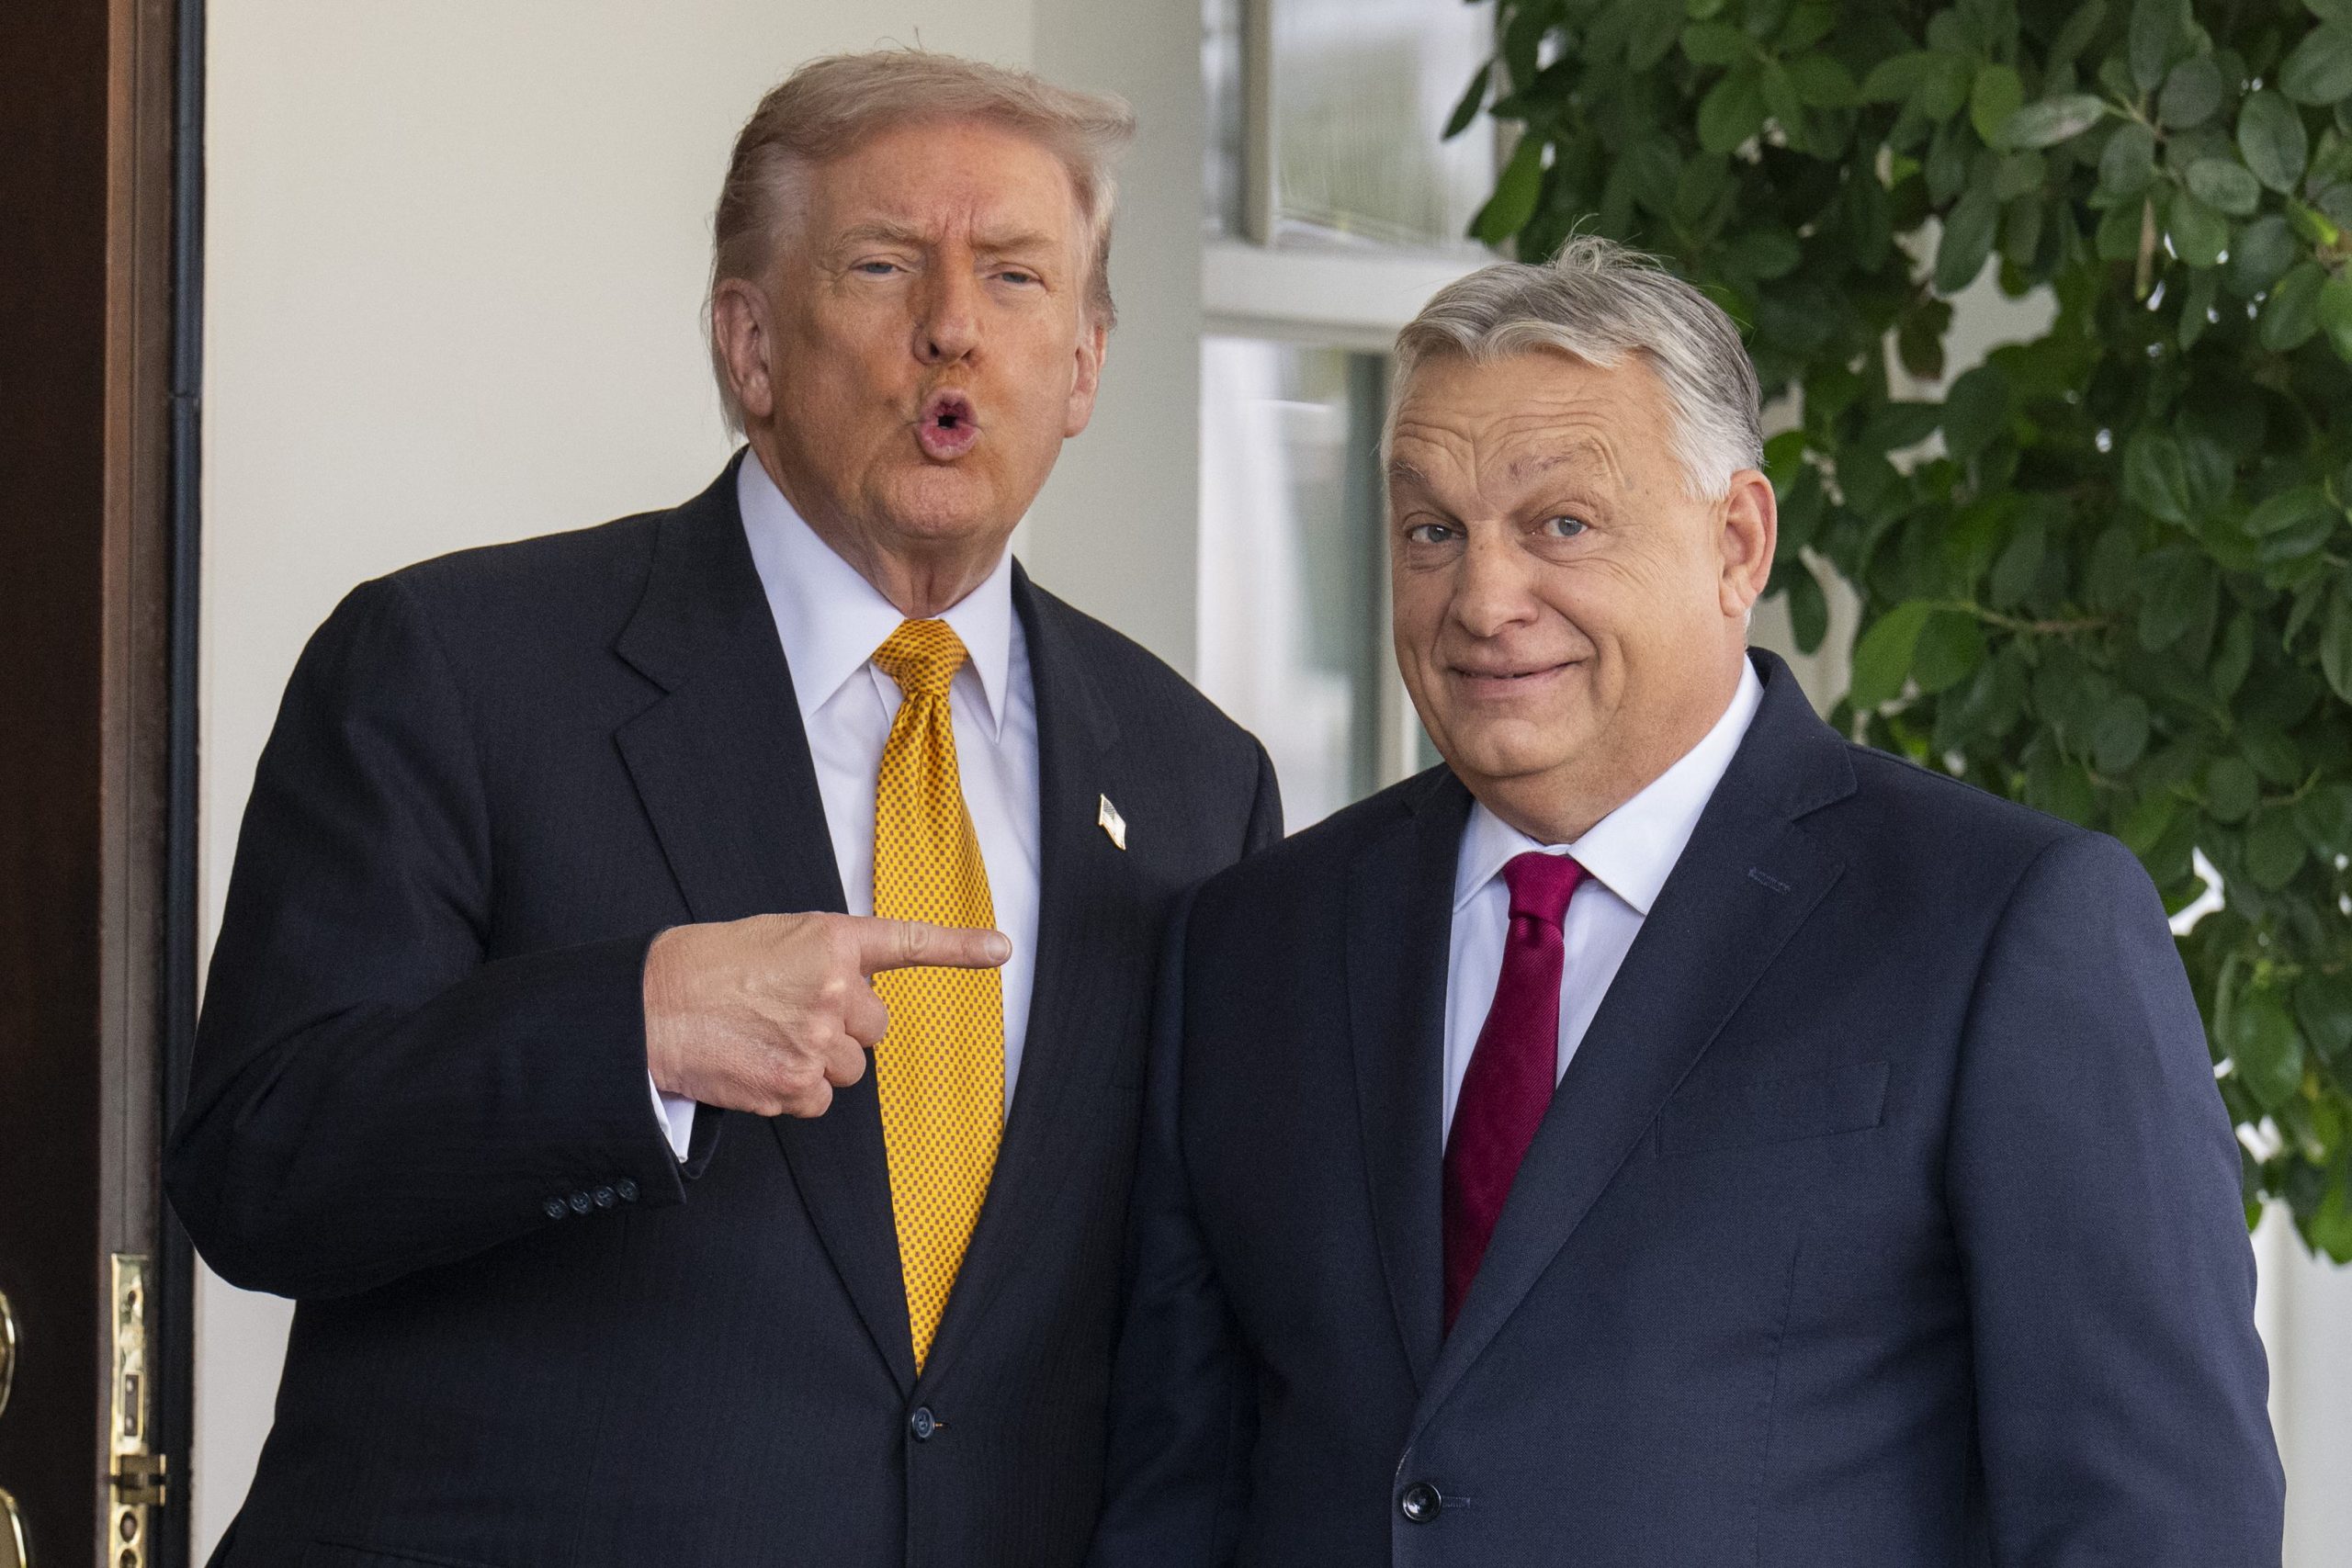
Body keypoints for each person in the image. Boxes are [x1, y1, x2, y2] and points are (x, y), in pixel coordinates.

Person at [169, 51, 1278, 1568]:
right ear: (749, 344)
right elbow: (259, 1165)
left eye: (1016, 278)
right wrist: (632, 1029)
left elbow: (1187, 1349)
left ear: (1083, 366)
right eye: (883, 264)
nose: (953, 324)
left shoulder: (1196, 780)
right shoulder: (453, 666)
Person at [1088, 237, 2282, 1567]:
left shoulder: (2006, 926)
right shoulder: (1254, 944)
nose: (1482, 599)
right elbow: (1177, 1498)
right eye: (1434, 531)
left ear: (1738, 542)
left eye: (1561, 525)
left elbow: (2159, 1525)